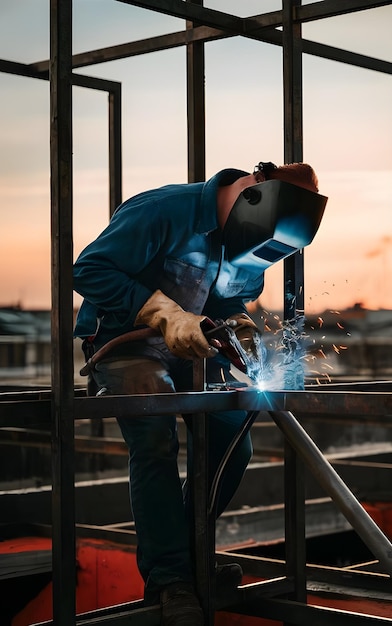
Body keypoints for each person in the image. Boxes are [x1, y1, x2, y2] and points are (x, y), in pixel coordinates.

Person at [73, 161, 325, 626]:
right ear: (253, 196)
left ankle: (187, 560)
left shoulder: (256, 245)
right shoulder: (164, 210)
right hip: (125, 345)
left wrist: (241, 326)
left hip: (193, 347)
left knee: (232, 436)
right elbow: (89, 269)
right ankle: (171, 581)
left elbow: (229, 299)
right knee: (154, 435)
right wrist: (164, 313)